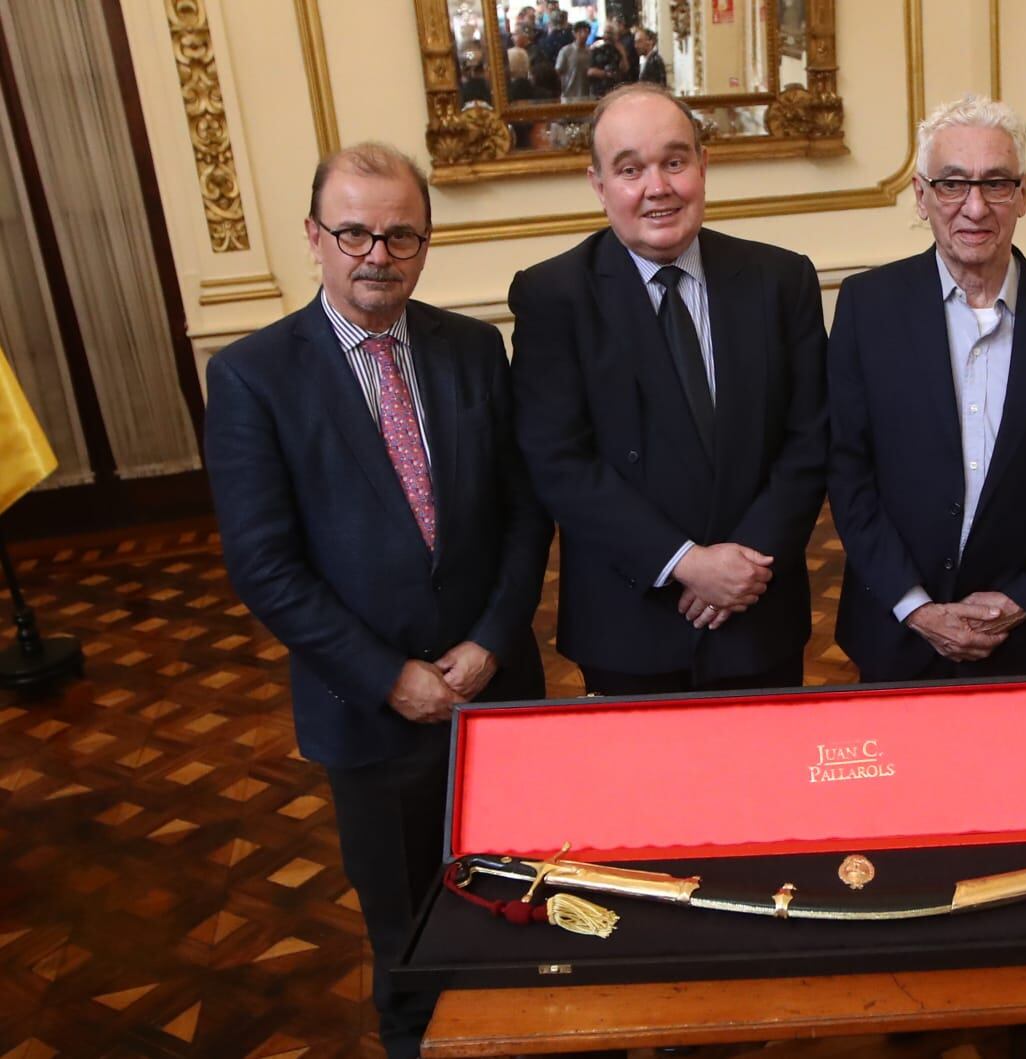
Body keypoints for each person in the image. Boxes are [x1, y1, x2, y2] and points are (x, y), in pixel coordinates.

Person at [204, 143, 551, 1059]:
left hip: (497, 690)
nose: (377, 254)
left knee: (524, 898)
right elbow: (265, 567)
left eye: (400, 234)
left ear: (424, 244)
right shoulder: (253, 378)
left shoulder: (474, 348)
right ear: (315, 236)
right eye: (353, 231)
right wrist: (386, 675)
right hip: (369, 715)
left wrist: (489, 637)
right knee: (407, 938)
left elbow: (523, 513)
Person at [510, 83, 827, 697]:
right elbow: (558, 462)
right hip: (632, 621)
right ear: (599, 186)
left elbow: (810, 439)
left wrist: (743, 567)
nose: (657, 187)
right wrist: (686, 562)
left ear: (703, 168)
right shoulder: (554, 297)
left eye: (674, 162)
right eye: (630, 170)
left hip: (758, 608)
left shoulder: (782, 279)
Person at [828, 96, 1026, 683]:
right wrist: (914, 605)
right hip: (896, 632)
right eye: (952, 184)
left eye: (997, 184)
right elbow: (847, 470)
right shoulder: (867, 307)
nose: (975, 207)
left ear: (1025, 193)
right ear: (920, 194)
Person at [555, 19, 592, 98]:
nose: (583, 35)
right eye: (580, 32)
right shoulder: (566, 51)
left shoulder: (591, 52)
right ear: (574, 34)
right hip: (569, 93)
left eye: (586, 32)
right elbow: (558, 71)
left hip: (587, 94)